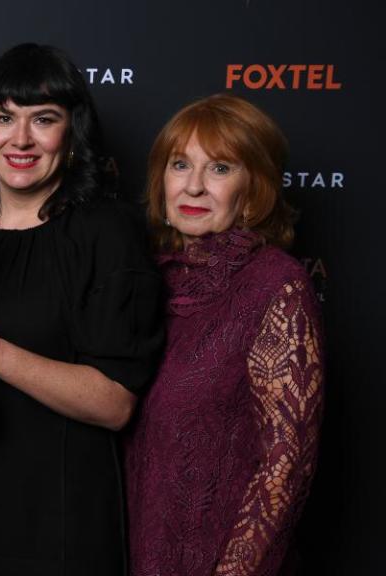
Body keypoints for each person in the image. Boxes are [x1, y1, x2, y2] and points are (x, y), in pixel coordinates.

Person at [0, 43, 165, 576]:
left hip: (61, 520)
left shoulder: (106, 234)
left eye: (43, 119)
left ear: (72, 133)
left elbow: (114, 403)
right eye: (4, 118)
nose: (20, 139)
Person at [124, 93, 324, 576]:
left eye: (219, 169)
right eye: (179, 165)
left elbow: (286, 464)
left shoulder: (275, 283)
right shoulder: (140, 277)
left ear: (253, 189)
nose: (193, 187)